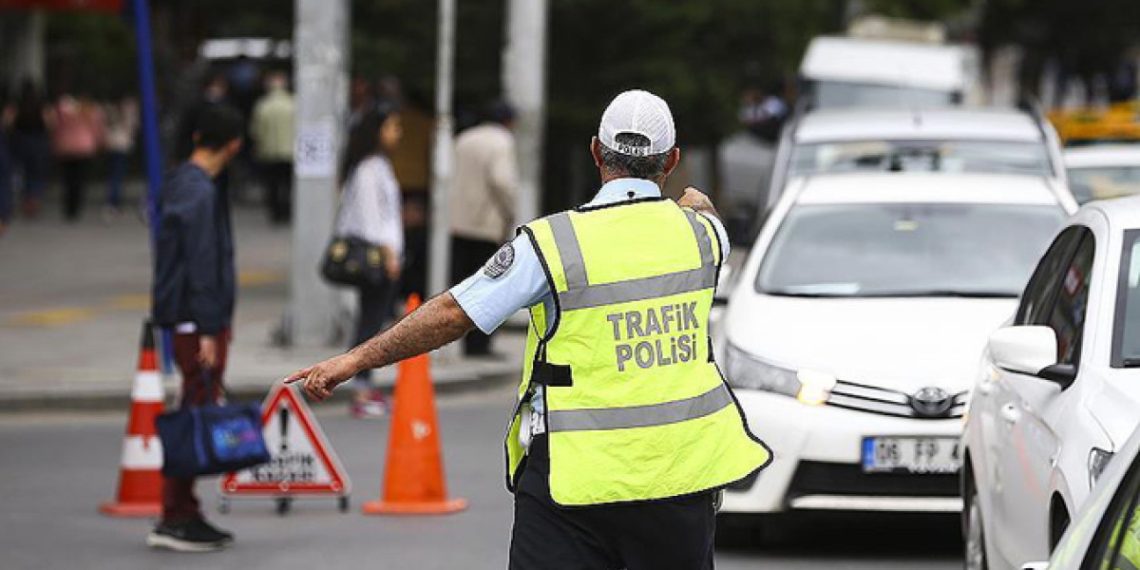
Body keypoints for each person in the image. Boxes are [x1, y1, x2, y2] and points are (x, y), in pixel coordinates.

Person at [286, 90, 772, 569]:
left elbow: (454, 314)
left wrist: (353, 360)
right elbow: (708, 216)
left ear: (597, 153)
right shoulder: (704, 236)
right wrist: (699, 204)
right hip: (680, 477)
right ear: (673, 160)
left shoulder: (553, 243)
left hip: (573, 480)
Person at [149, 104, 244, 552]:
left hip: (190, 317)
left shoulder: (182, 182)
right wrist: (210, 328)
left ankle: (183, 510)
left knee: (195, 404)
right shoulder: (200, 192)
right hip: (196, 321)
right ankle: (176, 515)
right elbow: (202, 265)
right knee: (194, 410)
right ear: (234, 145)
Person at [333, 103, 404, 419]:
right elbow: (371, 219)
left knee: (373, 320)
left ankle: (365, 383)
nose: (397, 133)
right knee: (370, 322)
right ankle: (360, 387)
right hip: (376, 257)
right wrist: (388, 254)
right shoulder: (368, 169)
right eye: (392, 127)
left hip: (384, 255)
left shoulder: (378, 165)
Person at [448, 99, 519, 356]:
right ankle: (479, 345)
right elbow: (502, 180)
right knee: (488, 286)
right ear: (509, 122)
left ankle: (461, 339)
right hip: (486, 224)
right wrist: (510, 211)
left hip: (458, 221)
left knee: (462, 283)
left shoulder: (463, 139)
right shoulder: (502, 141)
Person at [47, 89, 104, 222]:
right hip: (84, 148)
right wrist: (99, 142)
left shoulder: (62, 110)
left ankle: (68, 207)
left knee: (68, 179)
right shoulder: (90, 111)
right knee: (79, 179)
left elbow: (54, 125)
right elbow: (97, 129)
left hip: (66, 147)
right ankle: (75, 207)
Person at [250, 71, 295, 225]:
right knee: (288, 184)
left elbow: (256, 130)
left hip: (269, 151)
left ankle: (276, 212)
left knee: (273, 184)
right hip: (290, 151)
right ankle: (287, 211)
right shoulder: (293, 104)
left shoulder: (263, 106)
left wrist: (259, 146)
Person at [7, 78, 50, 219]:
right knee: (36, 173)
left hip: (20, 140)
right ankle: (33, 202)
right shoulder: (40, 104)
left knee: (20, 171)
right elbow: (48, 122)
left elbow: (8, 121)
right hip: (37, 140)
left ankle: (23, 201)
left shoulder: (17, 104)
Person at [102, 93, 138, 220]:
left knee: (113, 174)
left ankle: (112, 202)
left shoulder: (108, 109)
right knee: (118, 174)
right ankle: (114, 202)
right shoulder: (127, 109)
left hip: (111, 144)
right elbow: (132, 126)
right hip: (122, 145)